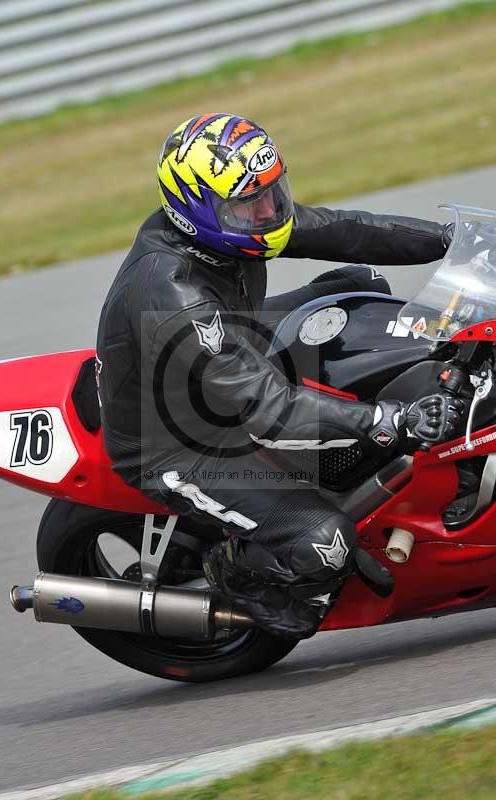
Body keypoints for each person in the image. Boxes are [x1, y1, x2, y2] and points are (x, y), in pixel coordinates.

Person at [96, 113, 464, 639]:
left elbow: (348, 232)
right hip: (179, 440)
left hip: (229, 343)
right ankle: (235, 569)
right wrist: (389, 419)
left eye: (273, 193)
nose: (269, 212)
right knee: (325, 542)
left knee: (360, 283)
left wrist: (451, 241)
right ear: (197, 211)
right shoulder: (173, 293)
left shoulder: (235, 226)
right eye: (251, 204)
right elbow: (269, 406)